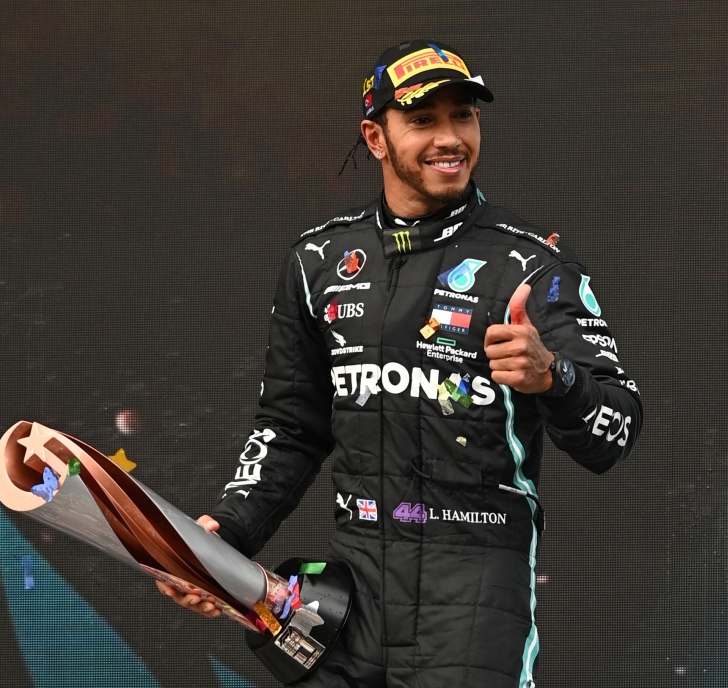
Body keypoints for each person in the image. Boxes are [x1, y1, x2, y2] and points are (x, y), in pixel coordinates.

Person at [157, 39, 643, 688]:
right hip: (350, 600)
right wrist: (225, 535)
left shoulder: (532, 264)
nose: (450, 138)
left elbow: (618, 430)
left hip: (476, 598)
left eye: (463, 115)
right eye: (422, 119)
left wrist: (556, 377)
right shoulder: (319, 262)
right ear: (375, 138)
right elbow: (291, 428)